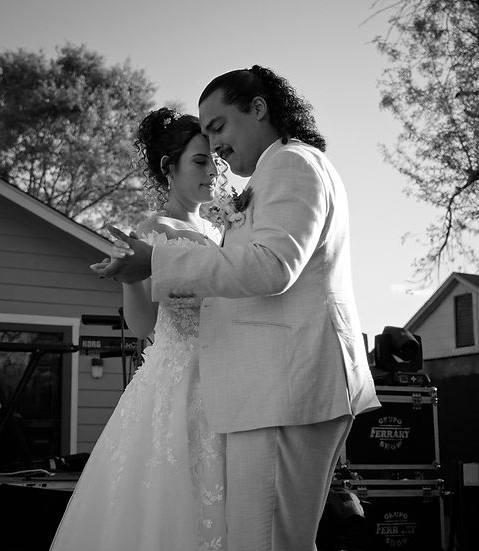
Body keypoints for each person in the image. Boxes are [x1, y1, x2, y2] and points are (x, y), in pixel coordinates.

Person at [93, 66, 380, 551]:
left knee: (263, 543)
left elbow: (271, 266)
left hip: (282, 388)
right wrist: (141, 273)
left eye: (219, 127)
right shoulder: (277, 170)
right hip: (264, 390)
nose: (216, 151)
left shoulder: (290, 165)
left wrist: (158, 261)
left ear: (259, 108)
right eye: (203, 142)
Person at [50, 107, 227, 550]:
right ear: (170, 168)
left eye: (215, 162)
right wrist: (130, 279)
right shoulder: (152, 231)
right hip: (177, 383)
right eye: (200, 161)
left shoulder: (223, 228)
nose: (214, 171)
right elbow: (142, 322)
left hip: (228, 377)